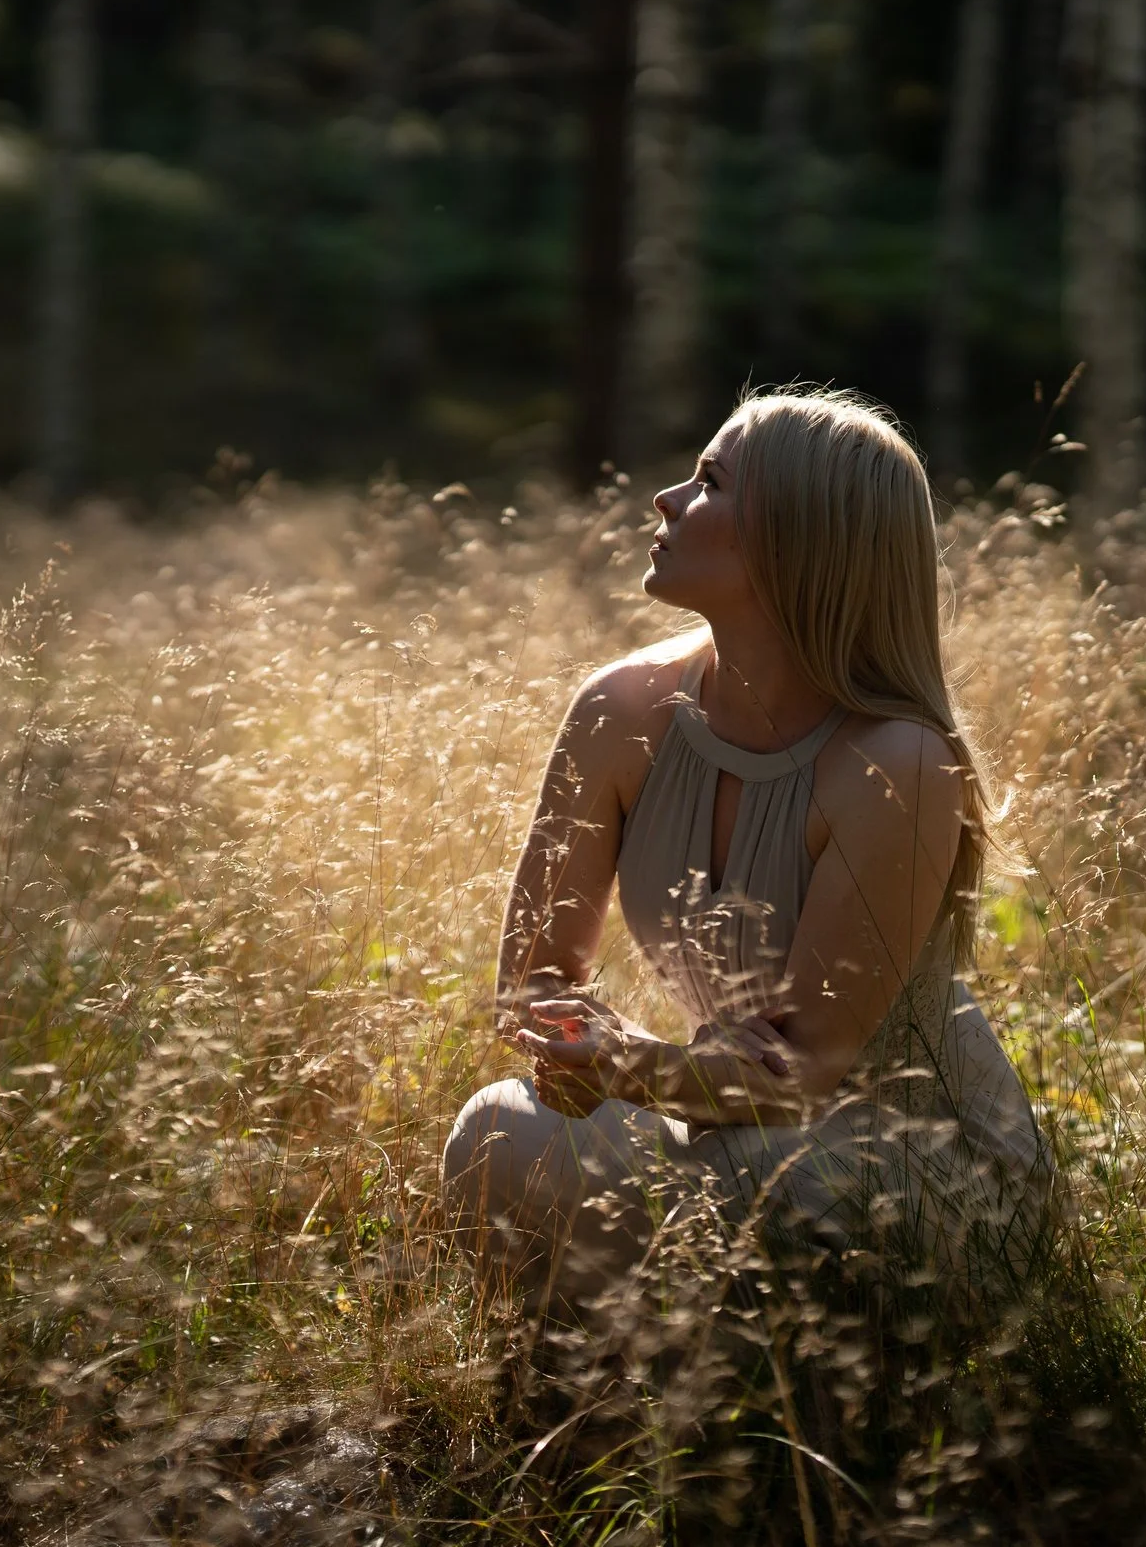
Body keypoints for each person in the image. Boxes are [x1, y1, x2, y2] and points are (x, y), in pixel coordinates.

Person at [441, 390, 1050, 1329]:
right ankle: (612, 1399)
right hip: (726, 1117)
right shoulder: (618, 710)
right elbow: (530, 979)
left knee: (769, 1183)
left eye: (710, 481)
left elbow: (806, 1068)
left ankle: (743, 1405)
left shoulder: (900, 764)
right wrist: (572, 1047)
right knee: (495, 1132)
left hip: (913, 1159)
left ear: (800, 540)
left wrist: (635, 1067)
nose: (664, 499)